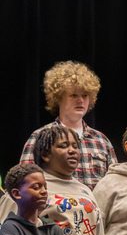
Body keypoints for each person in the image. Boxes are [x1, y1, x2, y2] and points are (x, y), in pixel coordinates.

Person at [20, 61, 117, 190]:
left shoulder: (101, 140)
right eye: (73, 95)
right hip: (56, 208)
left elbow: (115, 185)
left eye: (85, 95)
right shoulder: (40, 137)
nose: (80, 100)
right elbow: (24, 184)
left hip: (96, 208)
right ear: (58, 98)